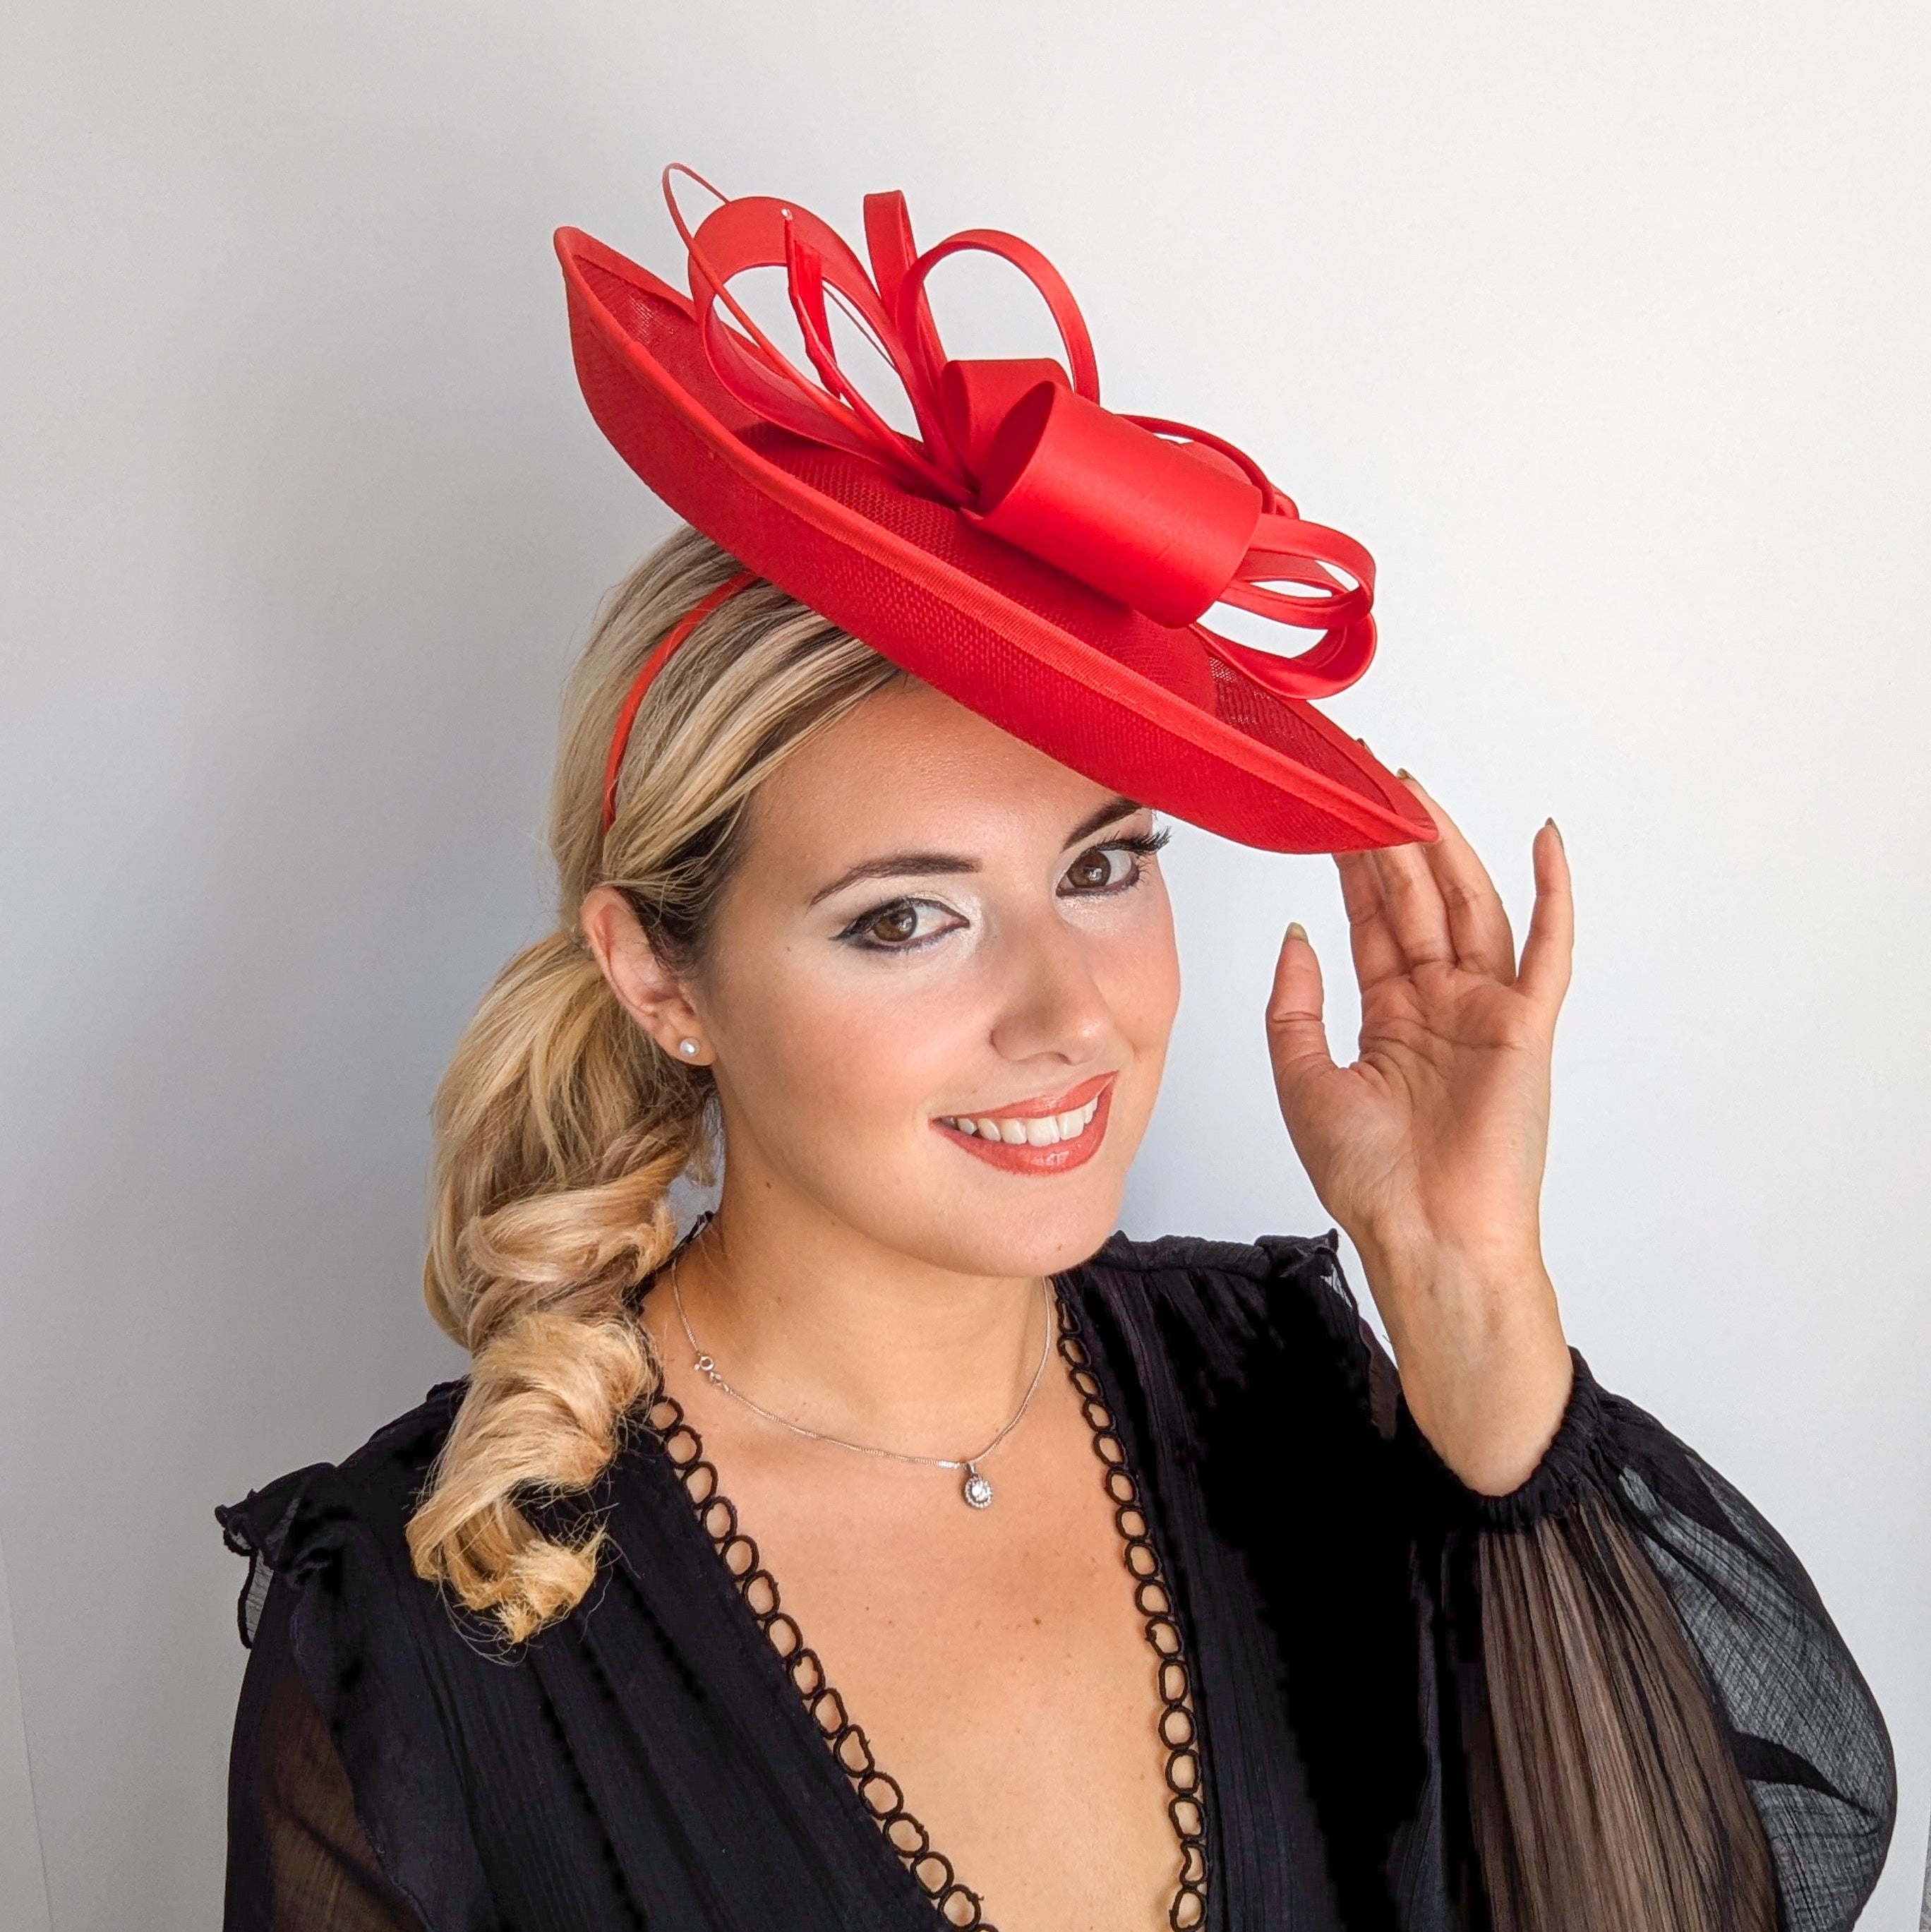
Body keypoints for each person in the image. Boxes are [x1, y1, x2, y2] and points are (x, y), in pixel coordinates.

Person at [218, 170, 1896, 1932]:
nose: (1069, 1011)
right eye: (904, 918)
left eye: (1103, 867)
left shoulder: (1287, 1403)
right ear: (661, 978)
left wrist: (1469, 1288)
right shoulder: (435, 1629)